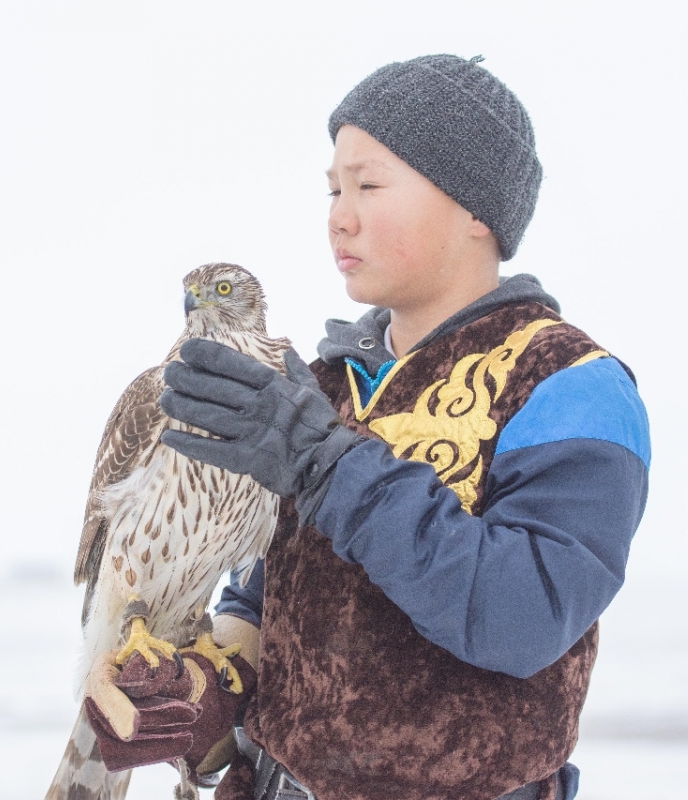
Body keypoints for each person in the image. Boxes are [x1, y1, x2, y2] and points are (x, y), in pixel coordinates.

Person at [89, 54, 650, 800]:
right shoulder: (316, 386)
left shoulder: (569, 384)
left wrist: (330, 465)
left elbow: (521, 618)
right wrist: (200, 699)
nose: (339, 215)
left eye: (369, 185)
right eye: (332, 189)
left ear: (474, 208)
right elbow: (263, 604)